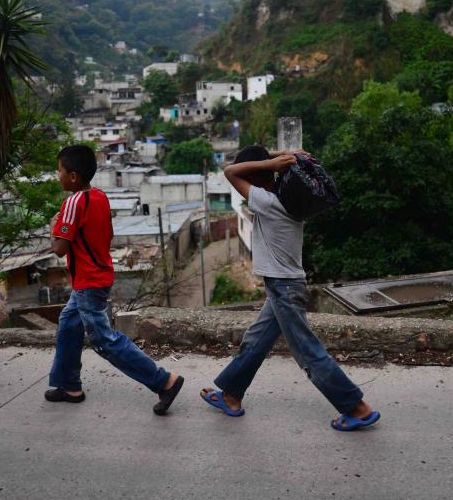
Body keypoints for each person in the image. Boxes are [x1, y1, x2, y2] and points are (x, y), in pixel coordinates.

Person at [200, 145, 380, 431]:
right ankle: (232, 395)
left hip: (284, 287)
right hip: (283, 285)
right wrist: (274, 157)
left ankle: (356, 408)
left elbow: (230, 172)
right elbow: (286, 159)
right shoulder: (289, 197)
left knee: (308, 352)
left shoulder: (269, 202)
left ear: (259, 175)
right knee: (256, 339)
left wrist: (268, 162)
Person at [45, 145, 183, 415]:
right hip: (97, 275)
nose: (57, 176)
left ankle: (164, 381)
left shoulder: (73, 203)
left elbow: (59, 248)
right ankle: (69, 385)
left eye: (59, 171)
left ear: (73, 176)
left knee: (103, 340)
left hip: (88, 281)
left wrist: (54, 226)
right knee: (69, 325)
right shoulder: (99, 197)